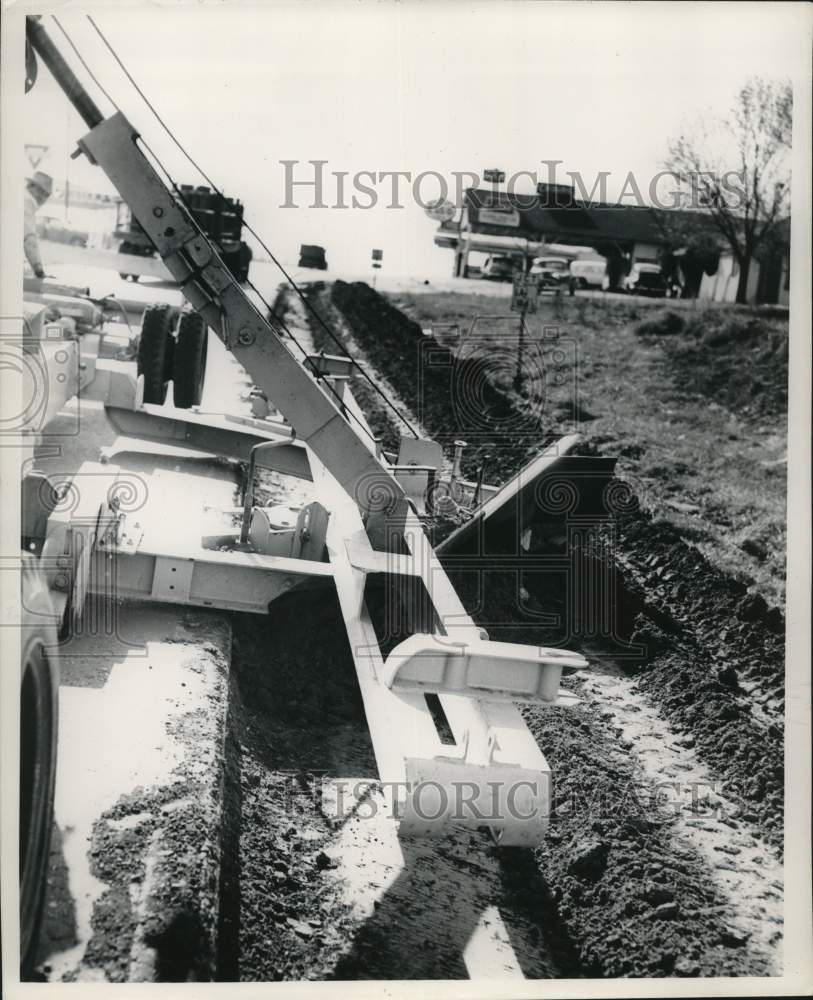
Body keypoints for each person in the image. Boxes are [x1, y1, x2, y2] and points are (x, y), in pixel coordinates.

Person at [24, 171, 53, 279]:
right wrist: (39, 271)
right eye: (41, 192)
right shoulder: (27, 201)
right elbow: (28, 240)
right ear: (30, 186)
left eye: (46, 195)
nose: (43, 198)